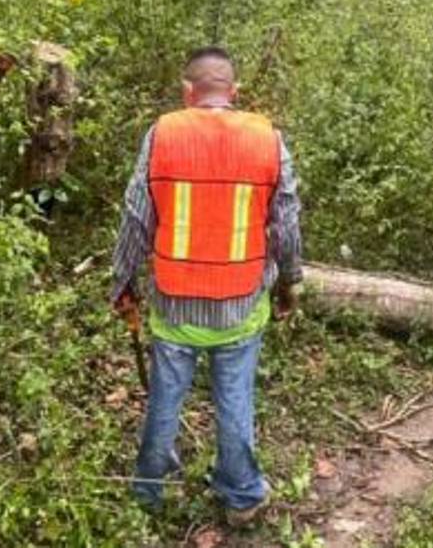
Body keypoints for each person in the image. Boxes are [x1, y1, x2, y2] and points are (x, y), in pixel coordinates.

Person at [111, 46, 303, 525]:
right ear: (233, 92)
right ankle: (240, 495)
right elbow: (286, 225)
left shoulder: (163, 134)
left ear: (187, 91)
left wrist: (122, 282)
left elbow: (136, 217)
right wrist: (289, 285)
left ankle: (149, 494)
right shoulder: (268, 139)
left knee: (164, 399)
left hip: (175, 306)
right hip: (241, 306)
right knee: (235, 398)